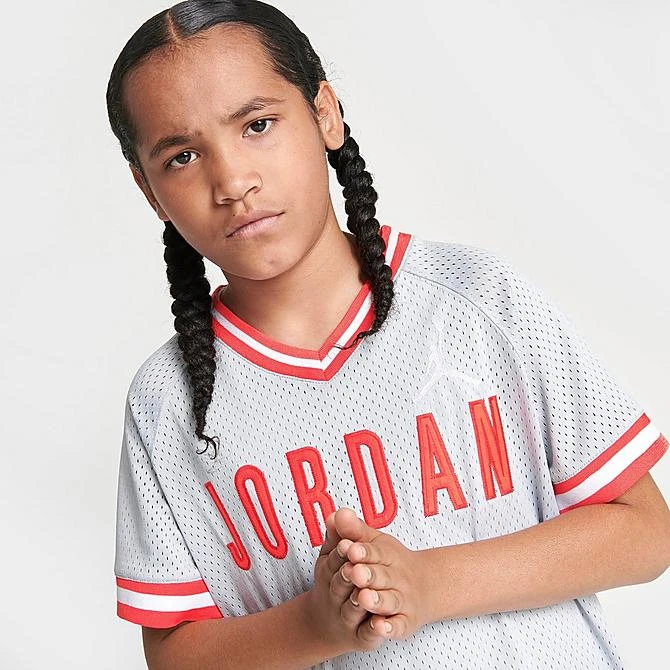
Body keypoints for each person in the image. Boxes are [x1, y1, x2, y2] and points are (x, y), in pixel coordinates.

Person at [106, 1, 670, 668]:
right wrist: (318, 624)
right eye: (182, 156)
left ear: (324, 114)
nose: (232, 181)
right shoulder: (166, 401)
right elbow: (174, 656)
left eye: (257, 125)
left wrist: (430, 583)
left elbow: (645, 531)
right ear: (148, 189)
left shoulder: (477, 298)